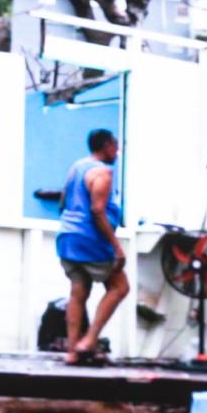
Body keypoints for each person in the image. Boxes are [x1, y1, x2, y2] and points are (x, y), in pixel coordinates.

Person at [56, 128, 130, 364]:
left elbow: (63, 200)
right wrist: (116, 246)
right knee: (120, 287)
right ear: (106, 145)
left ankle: (72, 352)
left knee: (78, 291)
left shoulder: (77, 167)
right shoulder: (103, 174)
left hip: (67, 236)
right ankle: (89, 340)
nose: (117, 152)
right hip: (90, 238)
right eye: (115, 146)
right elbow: (97, 211)